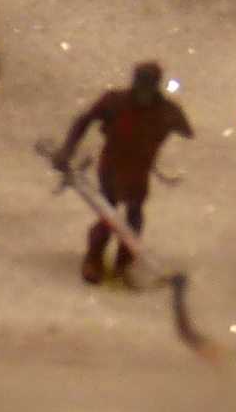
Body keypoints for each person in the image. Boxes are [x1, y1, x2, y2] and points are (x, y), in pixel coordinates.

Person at [54, 61, 192, 284]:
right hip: (113, 165)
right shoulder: (115, 103)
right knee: (108, 210)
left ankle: (124, 263)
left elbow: (187, 132)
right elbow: (85, 119)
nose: (144, 89)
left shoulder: (167, 111)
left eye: (149, 84)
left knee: (134, 215)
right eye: (141, 83)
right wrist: (68, 149)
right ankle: (95, 258)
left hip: (139, 170)